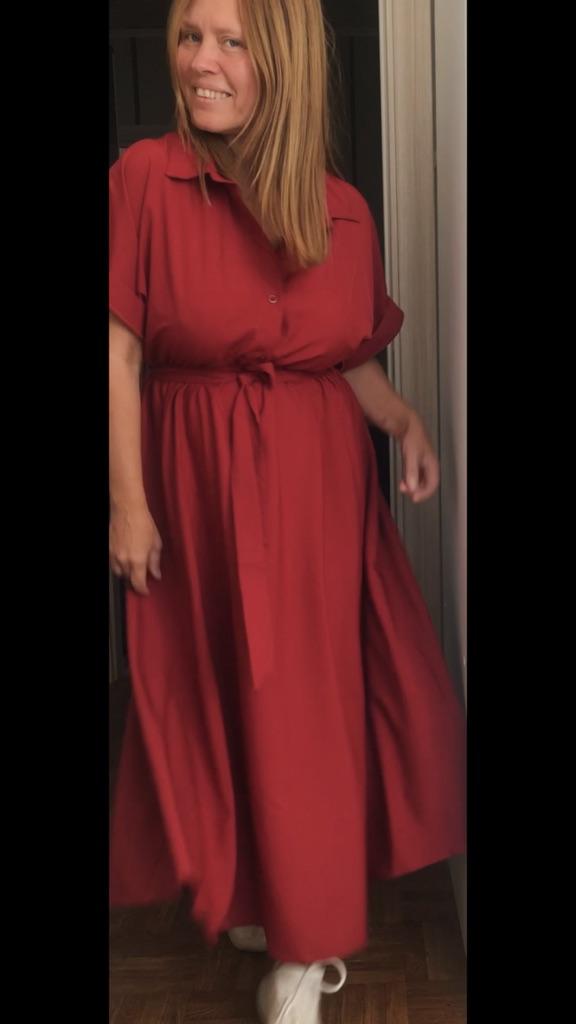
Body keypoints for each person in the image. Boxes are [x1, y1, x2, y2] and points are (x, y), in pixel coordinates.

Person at [108, 0, 466, 1020]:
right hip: (192, 480)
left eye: (232, 43)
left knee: (305, 710)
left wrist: (406, 421)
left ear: (286, 64)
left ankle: (306, 950)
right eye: (190, 36)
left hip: (312, 492)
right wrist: (127, 502)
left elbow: (345, 356)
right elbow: (118, 352)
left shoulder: (342, 208)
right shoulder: (143, 179)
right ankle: (259, 893)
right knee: (211, 695)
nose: (201, 62)